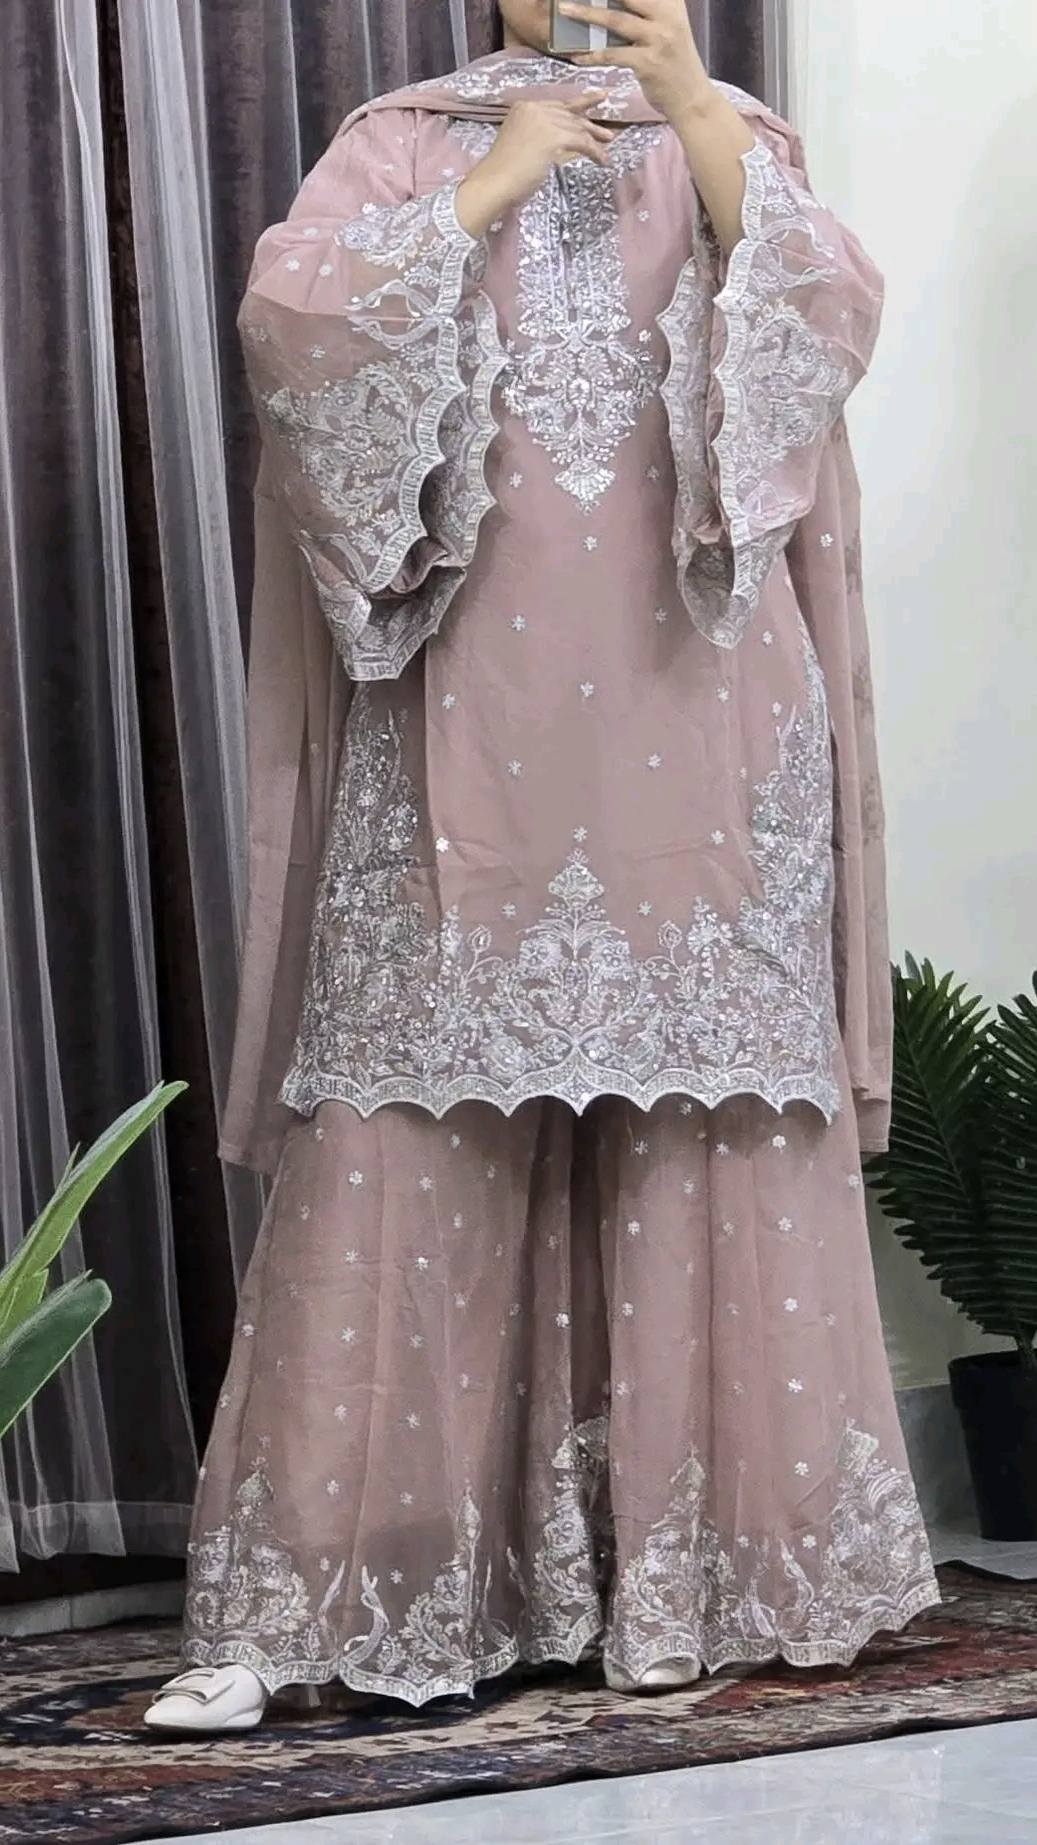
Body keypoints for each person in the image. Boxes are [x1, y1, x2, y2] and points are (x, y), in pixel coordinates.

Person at [145, 0, 939, 1734]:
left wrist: (693, 117)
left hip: (700, 710)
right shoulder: (405, 136)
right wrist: (484, 190)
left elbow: (820, 338)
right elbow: (296, 333)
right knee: (406, 1119)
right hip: (465, 720)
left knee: (700, 1120)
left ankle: (697, 1570)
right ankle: (341, 1581)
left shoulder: (736, 137)